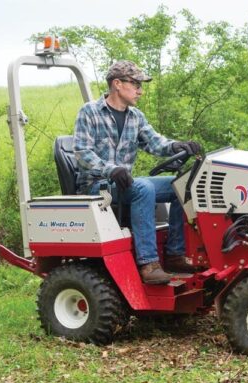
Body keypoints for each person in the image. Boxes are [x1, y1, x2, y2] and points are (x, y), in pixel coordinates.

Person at [73, 60, 200, 284]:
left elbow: (155, 143)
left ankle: (175, 254)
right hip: (97, 186)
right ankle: (148, 264)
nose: (140, 90)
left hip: (123, 183)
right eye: (136, 84)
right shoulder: (90, 112)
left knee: (183, 184)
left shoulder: (135, 116)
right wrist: (111, 170)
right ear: (118, 84)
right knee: (143, 188)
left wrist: (177, 146)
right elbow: (82, 153)